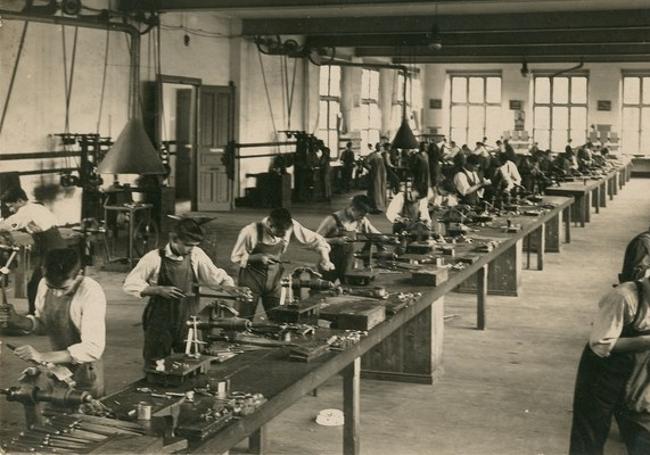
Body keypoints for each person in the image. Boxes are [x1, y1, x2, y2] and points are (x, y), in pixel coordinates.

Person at [124, 218, 235, 365]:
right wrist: (157, 289)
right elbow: (130, 284)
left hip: (188, 318)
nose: (191, 249)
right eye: (188, 245)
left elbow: (214, 277)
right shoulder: (154, 258)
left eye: (194, 245)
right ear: (174, 239)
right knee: (156, 362)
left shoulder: (196, 254)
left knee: (191, 360)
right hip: (160, 320)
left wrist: (230, 287)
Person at [5, 248, 106, 397]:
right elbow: (43, 325)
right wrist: (18, 320)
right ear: (43, 271)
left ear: (79, 274)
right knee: (55, 412)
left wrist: (42, 356)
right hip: (56, 368)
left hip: (85, 371)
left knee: (86, 415)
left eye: (64, 288)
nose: (57, 294)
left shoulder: (91, 292)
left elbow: (93, 348)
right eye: (52, 287)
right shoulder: (43, 284)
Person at [569, 278, 650, 455]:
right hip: (603, 369)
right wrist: (645, 341)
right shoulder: (624, 297)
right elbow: (600, 344)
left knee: (641, 432)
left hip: (638, 371)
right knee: (590, 435)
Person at [231, 208, 334, 319]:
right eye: (280, 233)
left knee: (279, 316)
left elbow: (317, 240)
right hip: (251, 278)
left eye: (286, 233)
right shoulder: (250, 231)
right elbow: (235, 257)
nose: (284, 236)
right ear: (270, 224)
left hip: (274, 277)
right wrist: (257, 257)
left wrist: (325, 258)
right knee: (244, 317)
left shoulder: (290, 226)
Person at [0, 187, 65, 315]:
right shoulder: (36, 207)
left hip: (52, 249)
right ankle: (36, 312)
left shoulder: (26, 210)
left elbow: (9, 224)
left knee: (38, 284)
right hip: (51, 247)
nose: (12, 210)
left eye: (12, 206)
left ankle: (35, 315)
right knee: (40, 283)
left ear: (20, 201)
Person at [316, 195, 382, 284]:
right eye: (361, 215)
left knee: (348, 289)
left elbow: (374, 233)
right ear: (352, 209)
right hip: (329, 262)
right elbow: (315, 239)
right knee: (324, 289)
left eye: (364, 215)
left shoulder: (361, 220)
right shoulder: (332, 220)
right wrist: (335, 240)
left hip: (348, 263)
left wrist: (387, 238)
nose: (362, 218)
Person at [365, 145, 387, 213]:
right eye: (378, 147)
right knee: (375, 190)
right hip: (375, 175)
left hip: (381, 175)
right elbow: (365, 162)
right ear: (376, 147)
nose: (379, 148)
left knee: (381, 190)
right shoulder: (372, 155)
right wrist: (370, 169)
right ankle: (374, 207)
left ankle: (380, 207)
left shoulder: (380, 155)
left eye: (380, 147)